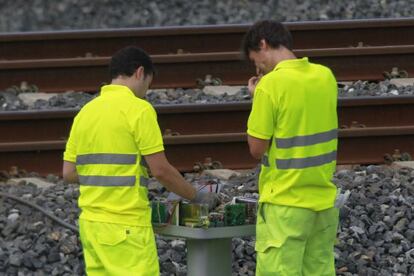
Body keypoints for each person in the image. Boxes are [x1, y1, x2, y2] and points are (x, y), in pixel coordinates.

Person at [62, 46, 216, 275]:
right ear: (140, 72)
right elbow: (161, 170)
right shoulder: (139, 109)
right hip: (126, 227)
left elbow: (68, 173)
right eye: (148, 83)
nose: (146, 90)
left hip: (91, 226)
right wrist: (197, 196)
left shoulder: (86, 112)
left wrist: (110, 175)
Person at [242, 20, 339, 275]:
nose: (257, 67)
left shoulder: (271, 85)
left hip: (286, 205)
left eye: (255, 60)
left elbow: (256, 148)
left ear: (263, 44)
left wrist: (258, 98)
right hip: (323, 203)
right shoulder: (325, 76)